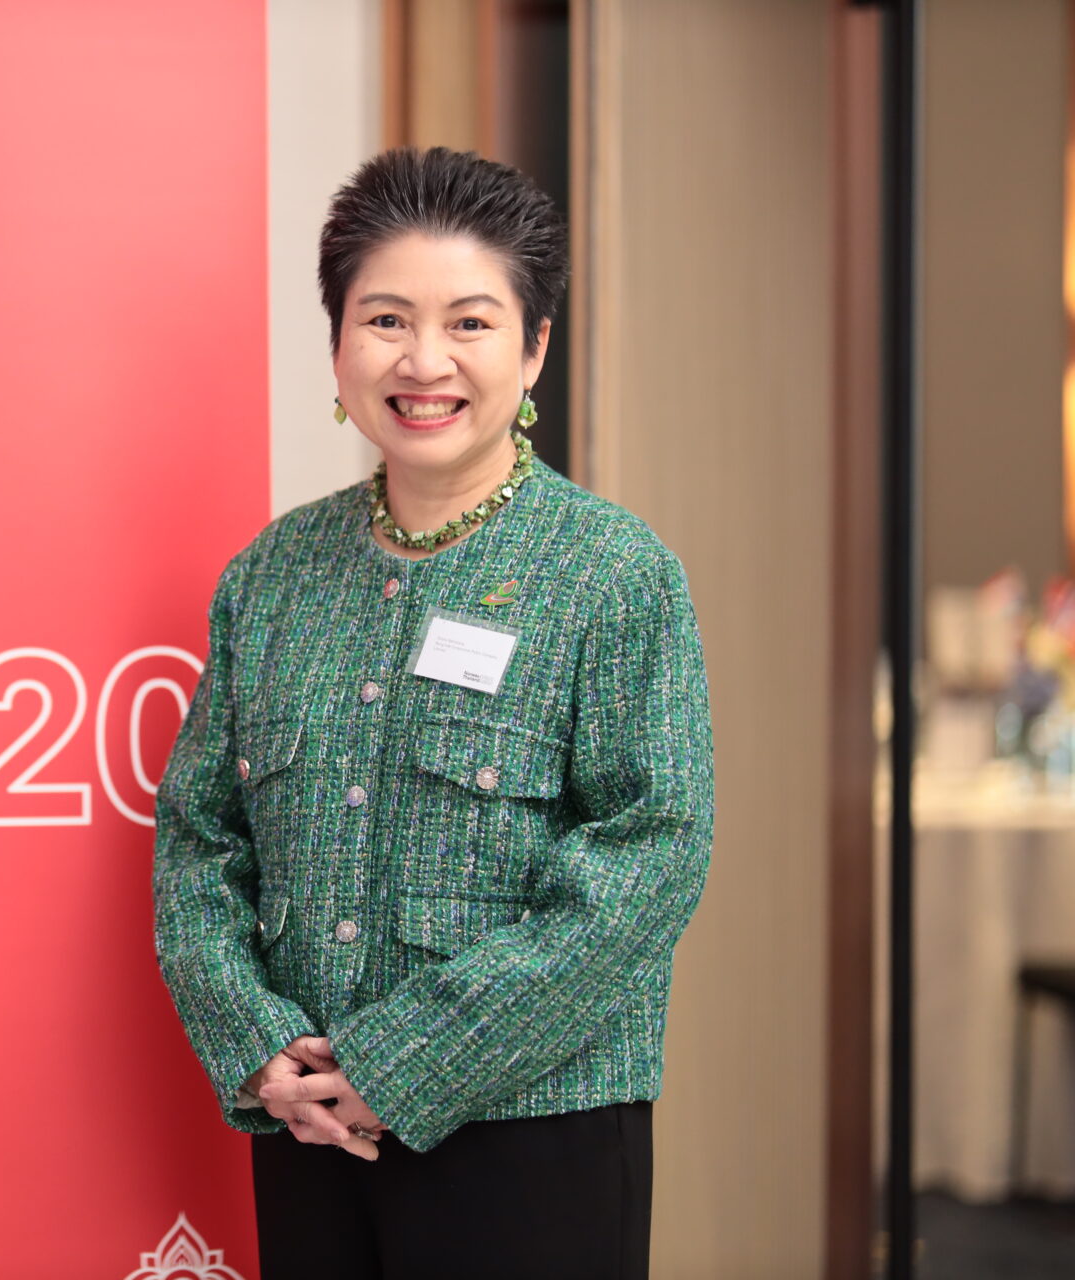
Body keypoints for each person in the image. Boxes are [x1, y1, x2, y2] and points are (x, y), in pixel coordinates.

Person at [150, 146, 713, 1279]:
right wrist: (256, 1042)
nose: (423, 361)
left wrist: (409, 1060)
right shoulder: (270, 576)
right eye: (386, 320)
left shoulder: (611, 572)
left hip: (535, 1136)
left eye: (470, 323)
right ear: (338, 345)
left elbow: (650, 855)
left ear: (533, 347)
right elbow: (198, 837)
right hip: (310, 1128)